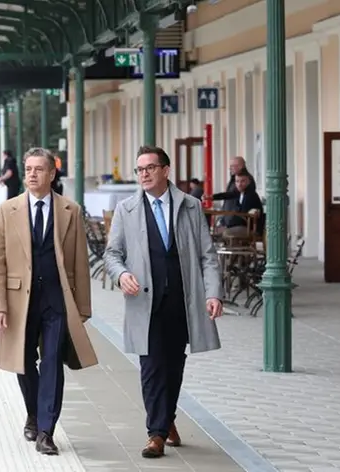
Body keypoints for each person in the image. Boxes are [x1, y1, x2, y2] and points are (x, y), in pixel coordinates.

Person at [103, 145, 223, 459]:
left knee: (174, 364)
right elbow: (112, 255)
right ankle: (155, 433)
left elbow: (207, 257)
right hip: (145, 301)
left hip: (182, 301)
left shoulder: (191, 206)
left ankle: (166, 417)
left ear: (165, 170)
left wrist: (212, 293)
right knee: (151, 365)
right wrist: (122, 274)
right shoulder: (126, 209)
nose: (143, 174)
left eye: (150, 168)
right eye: (139, 169)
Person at [0, 147, 98, 455]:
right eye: (28, 169)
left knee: (52, 363)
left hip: (56, 300)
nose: (32, 174)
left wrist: (83, 307)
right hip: (19, 301)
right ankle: (34, 412)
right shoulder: (7, 210)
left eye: (39, 169)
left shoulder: (70, 211)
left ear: (52, 174)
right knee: (23, 361)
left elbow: (78, 263)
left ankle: (46, 430)